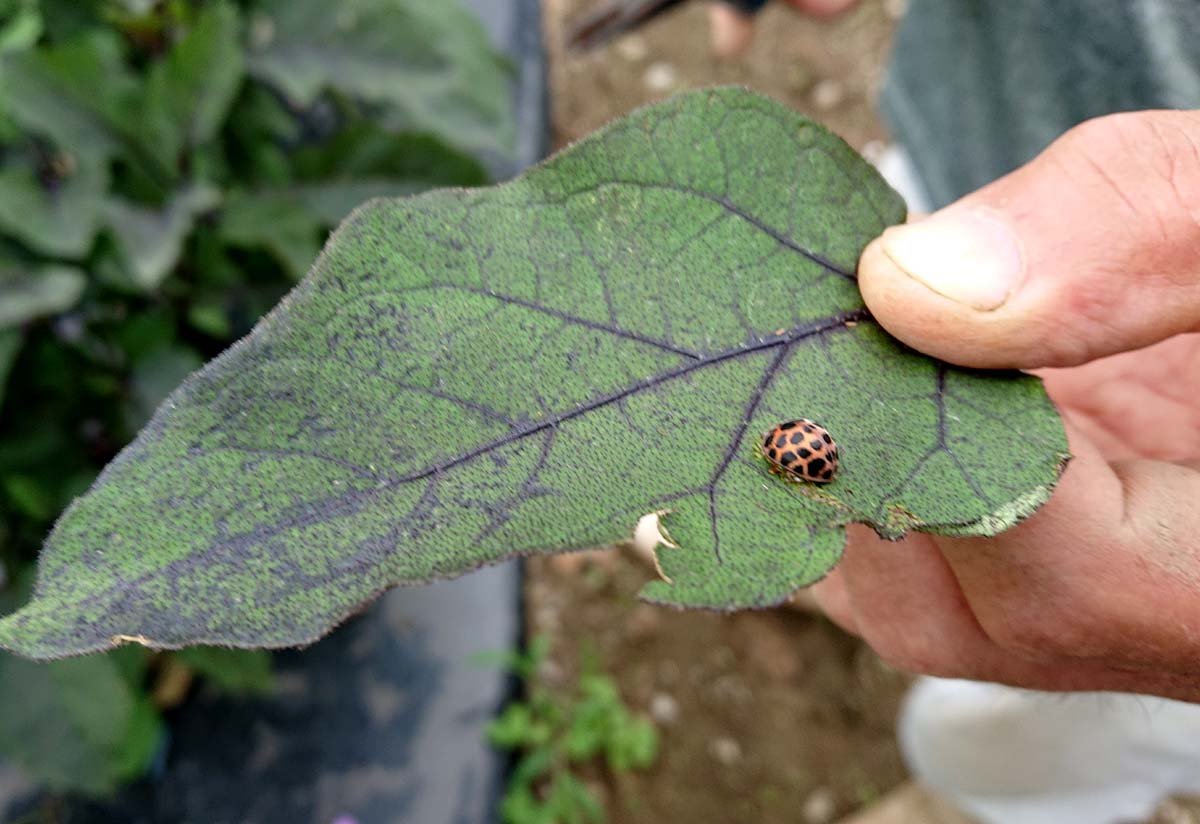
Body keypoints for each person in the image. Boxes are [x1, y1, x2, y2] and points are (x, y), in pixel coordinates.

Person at [709, 1, 1200, 821]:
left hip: (1004, 263)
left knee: (998, 728)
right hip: (967, 158)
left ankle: (959, 802)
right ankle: (827, 573)